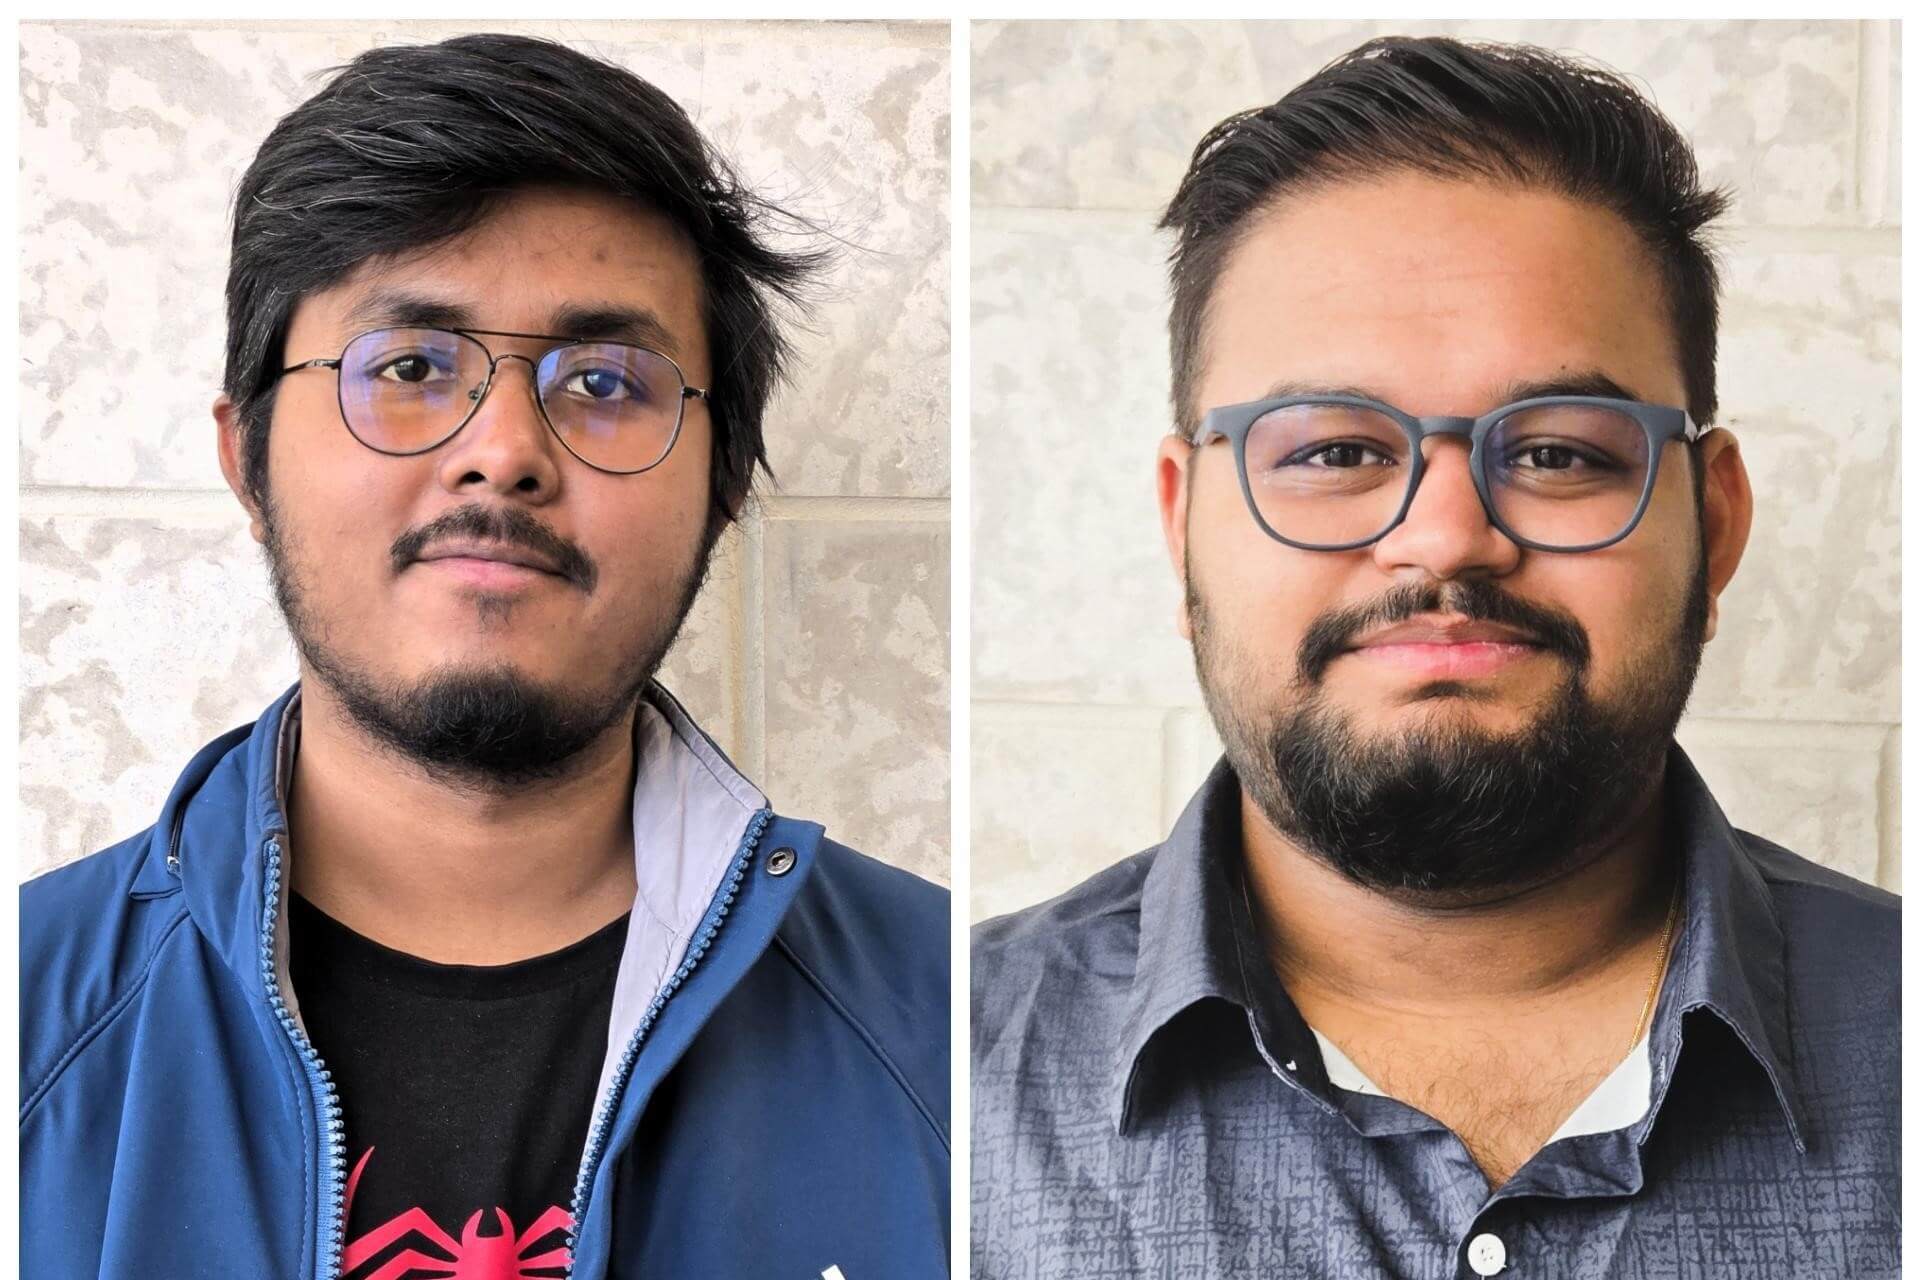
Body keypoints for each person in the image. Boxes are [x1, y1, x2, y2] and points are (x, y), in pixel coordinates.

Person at [22, 34, 947, 1280]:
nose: (504, 449)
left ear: (724, 488)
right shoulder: (29, 1029)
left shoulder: (955, 1036)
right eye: (409, 366)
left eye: (607, 380)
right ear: (246, 460)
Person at [972, 36, 1896, 1279]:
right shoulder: (946, 1072)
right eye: (1334, 450)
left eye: (1563, 451)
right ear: (1180, 524)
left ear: (1716, 526)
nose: (1446, 536)